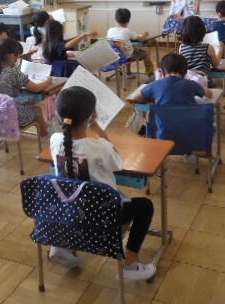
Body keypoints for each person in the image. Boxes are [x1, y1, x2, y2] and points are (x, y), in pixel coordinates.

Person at [49, 86, 157, 280]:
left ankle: (62, 241)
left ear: (58, 114)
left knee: (115, 199)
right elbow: (118, 163)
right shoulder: (100, 147)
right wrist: (98, 129)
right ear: (92, 117)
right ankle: (130, 263)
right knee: (145, 206)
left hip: (69, 210)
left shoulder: (55, 140)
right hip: (101, 214)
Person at [0, 38, 52, 136]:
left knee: (26, 103)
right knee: (37, 110)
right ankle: (44, 135)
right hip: (7, 115)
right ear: (12, 56)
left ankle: (44, 125)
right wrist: (49, 80)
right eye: (17, 57)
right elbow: (37, 88)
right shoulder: (12, 72)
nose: (17, 60)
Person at [135, 53, 205, 106]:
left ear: (162, 72)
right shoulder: (192, 84)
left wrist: (154, 100)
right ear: (185, 73)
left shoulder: (155, 85)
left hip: (163, 121)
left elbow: (135, 98)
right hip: (189, 120)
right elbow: (207, 93)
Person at [106, 8, 154, 80]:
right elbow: (141, 39)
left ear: (115, 19)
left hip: (114, 56)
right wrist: (145, 35)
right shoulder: (127, 31)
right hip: (126, 56)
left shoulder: (110, 30)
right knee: (145, 53)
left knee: (130, 48)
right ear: (128, 21)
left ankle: (128, 72)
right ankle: (150, 74)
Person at [179, 15, 222, 88]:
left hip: (187, 83)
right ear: (202, 32)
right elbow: (215, 64)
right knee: (216, 89)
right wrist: (220, 49)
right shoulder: (208, 47)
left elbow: (182, 66)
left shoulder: (182, 47)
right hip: (205, 83)